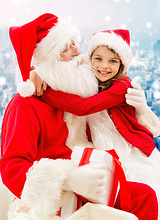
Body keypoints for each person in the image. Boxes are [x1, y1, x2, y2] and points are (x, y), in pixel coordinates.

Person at [0, 14, 158, 220]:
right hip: (55, 197)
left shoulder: (76, 90)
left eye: (77, 45)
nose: (77, 52)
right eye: (68, 47)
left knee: (145, 196)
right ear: (51, 58)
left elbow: (96, 70)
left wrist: (142, 111)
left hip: (90, 183)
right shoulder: (24, 105)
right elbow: (12, 167)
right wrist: (68, 180)